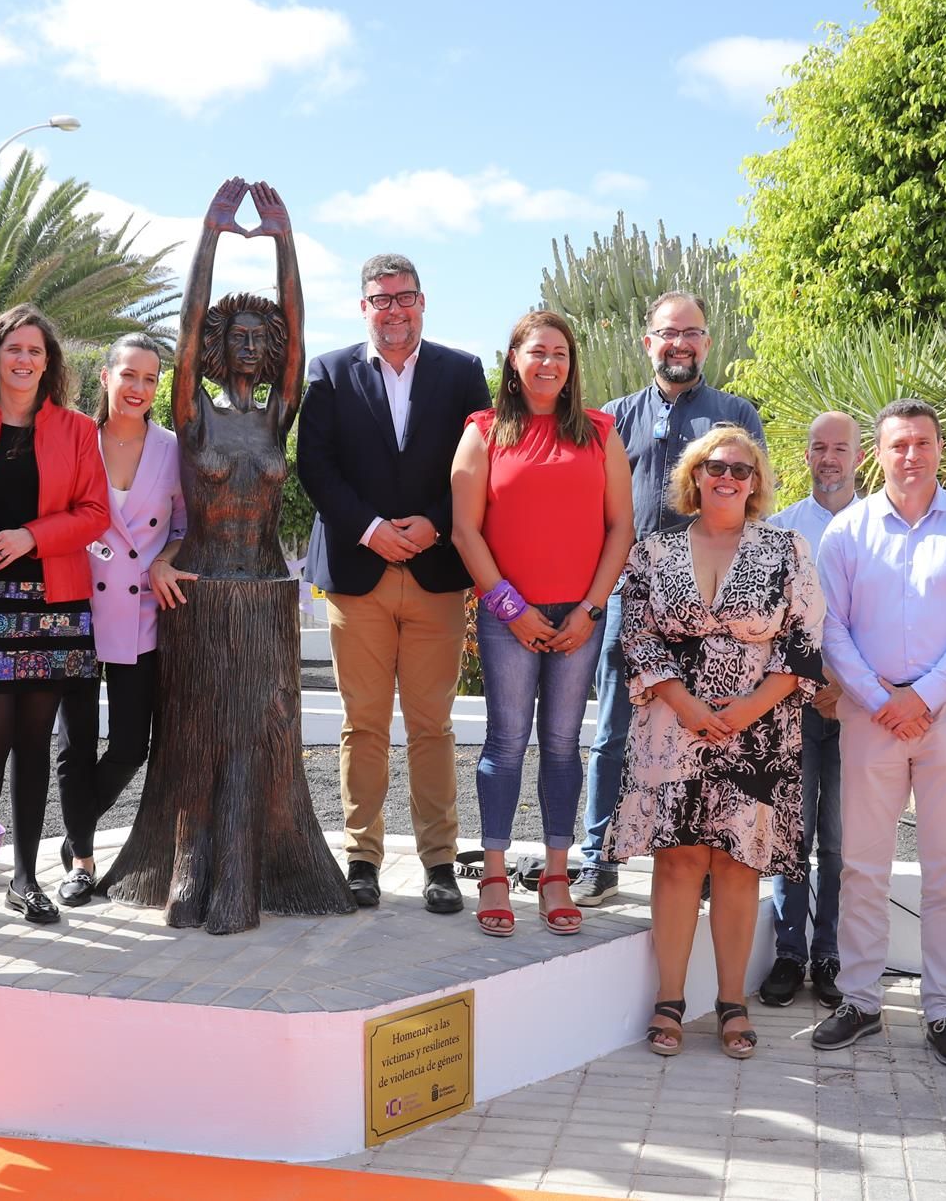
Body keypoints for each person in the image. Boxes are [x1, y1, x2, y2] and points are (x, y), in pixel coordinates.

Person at [605, 426, 823, 1057]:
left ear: (756, 482)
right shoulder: (652, 552)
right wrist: (688, 705)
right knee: (676, 861)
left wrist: (748, 708)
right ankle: (668, 1002)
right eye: (714, 466)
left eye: (740, 468)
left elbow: (805, 641)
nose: (727, 476)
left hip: (758, 731)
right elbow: (638, 638)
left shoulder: (787, 550)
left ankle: (732, 1003)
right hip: (671, 728)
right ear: (694, 476)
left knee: (736, 862)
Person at [811, 399, 946, 1068]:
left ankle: (945, 1008)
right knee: (862, 865)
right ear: (877, 452)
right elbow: (830, 626)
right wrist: (880, 698)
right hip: (870, 718)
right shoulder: (847, 533)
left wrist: (921, 696)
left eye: (922, 443)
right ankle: (861, 999)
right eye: (897, 444)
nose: (911, 455)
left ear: (939, 448)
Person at [300, 251, 491, 914]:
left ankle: (440, 861)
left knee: (432, 723)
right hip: (359, 575)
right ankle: (363, 857)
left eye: (403, 297)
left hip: (436, 574)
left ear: (422, 301)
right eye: (380, 299)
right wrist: (372, 528)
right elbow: (315, 468)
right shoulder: (327, 373)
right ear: (363, 307)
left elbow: (478, 466)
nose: (393, 310)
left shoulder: (463, 374)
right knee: (364, 722)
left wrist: (436, 525)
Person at [449, 310, 633, 938]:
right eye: (537, 352)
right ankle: (495, 875)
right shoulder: (483, 432)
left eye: (560, 352)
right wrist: (510, 608)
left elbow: (621, 529)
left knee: (560, 745)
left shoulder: (601, 433)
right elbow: (465, 530)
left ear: (571, 363)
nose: (549, 363)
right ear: (514, 359)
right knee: (505, 742)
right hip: (509, 616)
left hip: (579, 616)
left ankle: (557, 873)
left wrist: (590, 610)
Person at [576, 291, 763, 908]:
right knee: (612, 732)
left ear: (707, 343)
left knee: (706, 731)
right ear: (647, 342)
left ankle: (703, 856)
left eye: (692, 333)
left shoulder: (735, 414)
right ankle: (597, 858)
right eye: (668, 333)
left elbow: (752, 508)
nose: (679, 343)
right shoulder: (612, 417)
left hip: (711, 606)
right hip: (627, 596)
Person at [0, 304, 109, 928]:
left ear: (50, 362)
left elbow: (95, 513)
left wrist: (31, 537)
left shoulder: (75, 431)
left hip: (56, 607)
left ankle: (26, 879)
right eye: (14, 349)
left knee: (35, 744)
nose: (25, 360)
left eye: (36, 351)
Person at [757, 411, 862, 1010]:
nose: (829, 458)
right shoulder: (779, 529)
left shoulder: (879, 528)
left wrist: (848, 690)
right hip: (791, 706)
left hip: (857, 710)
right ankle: (788, 953)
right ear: (806, 456)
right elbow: (770, 626)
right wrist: (805, 683)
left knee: (841, 843)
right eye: (818, 448)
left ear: (858, 457)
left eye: (840, 448)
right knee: (790, 838)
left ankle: (830, 956)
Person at [86, 332, 190, 828]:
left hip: (143, 612)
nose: (139, 387)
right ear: (106, 377)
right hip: (75, 610)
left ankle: (72, 834)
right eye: (129, 374)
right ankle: (80, 858)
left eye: (151, 378)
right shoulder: (75, 439)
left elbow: (188, 527)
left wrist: (166, 559)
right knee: (72, 747)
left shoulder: (174, 448)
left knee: (130, 747)